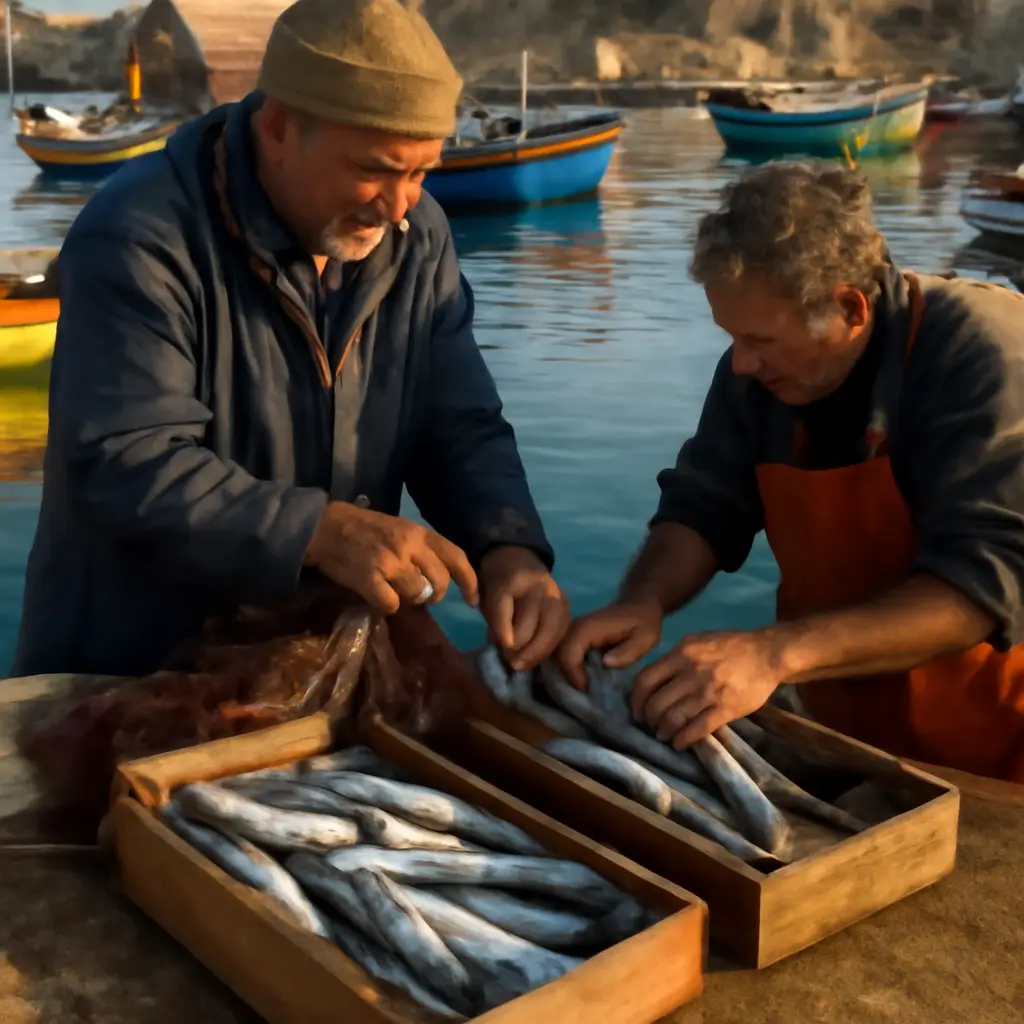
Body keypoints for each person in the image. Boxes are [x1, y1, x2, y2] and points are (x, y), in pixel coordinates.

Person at [13, 0, 569, 678]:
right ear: (277, 128)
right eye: (373, 169)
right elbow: (127, 458)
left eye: (420, 172)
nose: (397, 207)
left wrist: (509, 550)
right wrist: (318, 530)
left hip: (308, 660)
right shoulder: (140, 235)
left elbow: (458, 424)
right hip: (129, 669)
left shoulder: (418, 237)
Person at [559, 160, 1024, 782]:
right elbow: (704, 507)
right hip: (843, 720)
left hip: (999, 742)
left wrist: (772, 653)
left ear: (851, 309)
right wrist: (644, 600)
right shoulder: (755, 372)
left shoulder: (980, 354)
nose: (741, 364)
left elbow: (984, 583)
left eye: (760, 340)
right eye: (731, 336)